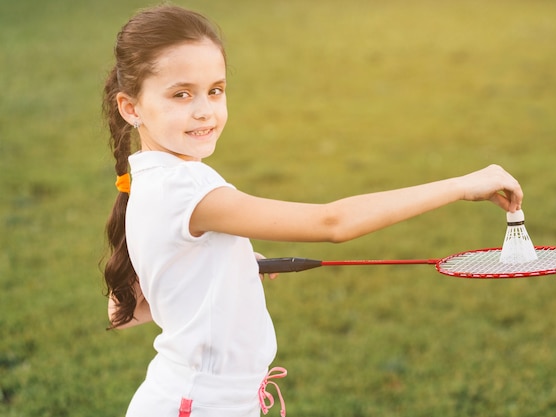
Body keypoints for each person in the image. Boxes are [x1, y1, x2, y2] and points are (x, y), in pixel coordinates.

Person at [102, 4, 524, 417]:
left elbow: (129, 310)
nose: (204, 110)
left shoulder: (151, 180)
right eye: (181, 94)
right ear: (131, 107)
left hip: (202, 399)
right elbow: (333, 222)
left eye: (215, 90)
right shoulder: (186, 186)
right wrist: (461, 185)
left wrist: (226, 270)